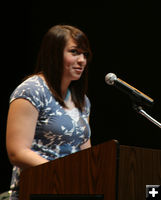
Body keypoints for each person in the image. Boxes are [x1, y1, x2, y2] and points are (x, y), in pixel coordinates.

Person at [6, 24, 92, 199]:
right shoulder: (32, 90)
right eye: (74, 52)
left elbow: (86, 155)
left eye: (85, 54)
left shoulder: (82, 100)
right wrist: (62, 175)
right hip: (36, 191)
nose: (82, 60)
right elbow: (17, 152)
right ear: (54, 54)